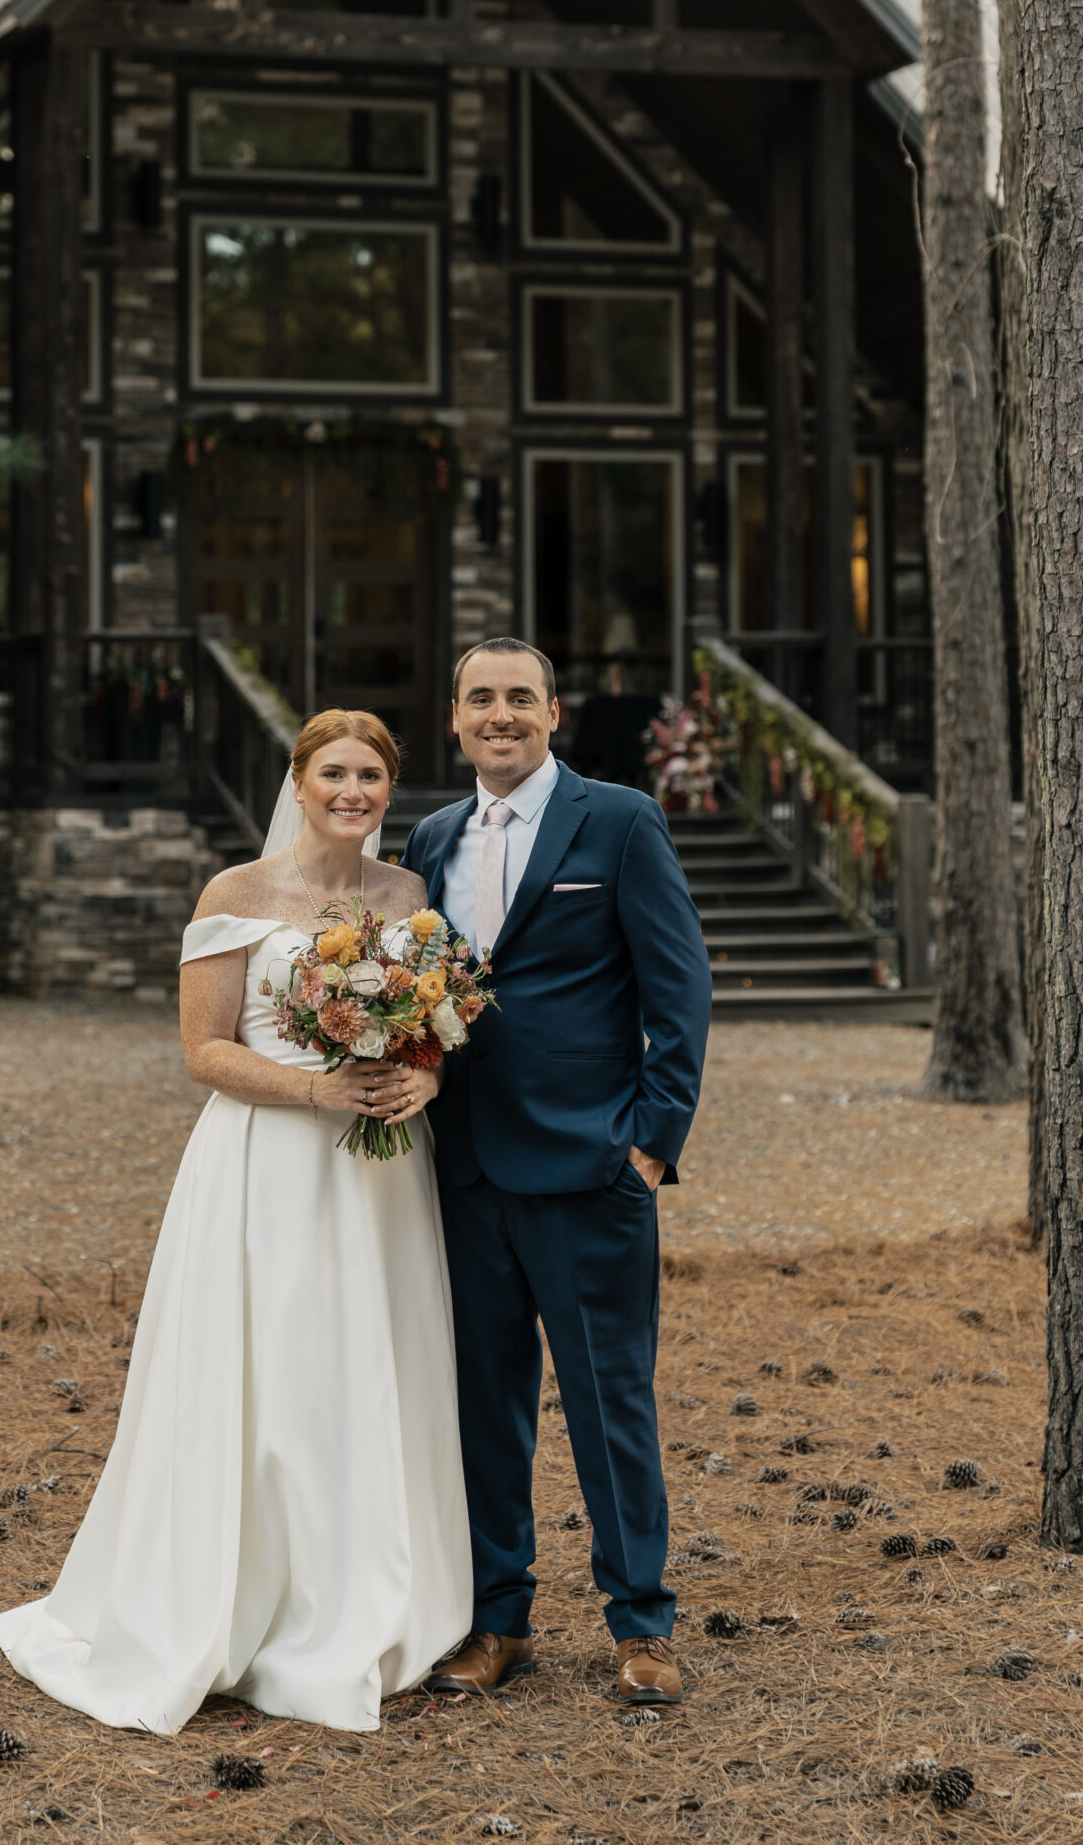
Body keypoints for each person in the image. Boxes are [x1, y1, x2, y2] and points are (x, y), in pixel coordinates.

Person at [0, 708, 471, 1735]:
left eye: (373, 777)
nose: (354, 791)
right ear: (297, 783)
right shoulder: (235, 895)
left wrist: (420, 1081)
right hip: (267, 1165)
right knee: (274, 1370)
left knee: (367, 1367)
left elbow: (428, 1029)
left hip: (381, 1173)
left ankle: (362, 1594)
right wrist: (315, 1092)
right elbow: (203, 1050)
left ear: (391, 791)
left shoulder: (408, 897)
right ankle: (236, 1601)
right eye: (334, 772)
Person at [404, 639, 712, 1708]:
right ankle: (499, 1621)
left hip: (590, 1169)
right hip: (466, 1173)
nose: (501, 714)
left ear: (552, 713)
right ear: (456, 719)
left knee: (607, 1401)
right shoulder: (432, 836)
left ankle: (641, 1623)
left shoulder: (618, 820)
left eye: (519, 698)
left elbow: (679, 986)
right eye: (481, 698)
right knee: (484, 1406)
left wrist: (652, 1143)